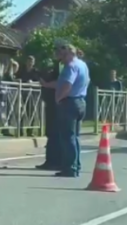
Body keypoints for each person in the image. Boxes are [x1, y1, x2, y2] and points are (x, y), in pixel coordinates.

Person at [53, 43, 90, 178]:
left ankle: (70, 168)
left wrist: (59, 97)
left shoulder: (70, 66)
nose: (60, 57)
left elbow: (67, 84)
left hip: (69, 103)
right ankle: (76, 165)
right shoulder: (82, 65)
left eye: (62, 54)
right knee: (75, 137)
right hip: (81, 102)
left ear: (68, 53)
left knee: (68, 137)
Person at [37, 42, 66, 170]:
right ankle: (51, 160)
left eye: (59, 51)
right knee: (51, 132)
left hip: (57, 102)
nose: (56, 53)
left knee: (55, 132)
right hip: (52, 101)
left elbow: (60, 82)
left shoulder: (63, 65)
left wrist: (45, 84)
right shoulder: (57, 65)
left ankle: (55, 161)